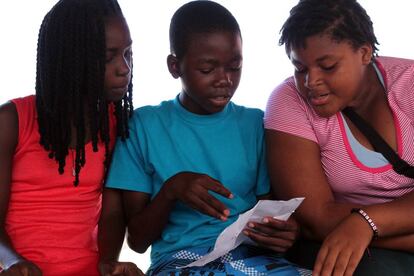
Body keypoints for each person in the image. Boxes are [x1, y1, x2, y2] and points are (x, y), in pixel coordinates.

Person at [100, 1, 311, 275]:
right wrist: (171, 191)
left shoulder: (255, 124)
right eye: (208, 69)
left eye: (234, 67)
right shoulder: (144, 126)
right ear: (175, 66)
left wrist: (284, 233)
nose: (224, 79)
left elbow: (270, 211)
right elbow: (138, 241)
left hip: (253, 260)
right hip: (179, 263)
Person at [264, 0, 414, 275]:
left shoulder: (411, 84)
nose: (311, 81)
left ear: (365, 53)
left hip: (358, 228)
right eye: (300, 68)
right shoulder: (289, 103)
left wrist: (367, 222)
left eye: (328, 66)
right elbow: (316, 218)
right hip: (340, 241)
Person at [0, 0, 143, 275]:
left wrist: (108, 263)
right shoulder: (11, 122)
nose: (124, 68)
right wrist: (13, 263)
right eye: (109, 56)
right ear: (70, 61)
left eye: (128, 53)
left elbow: (112, 213)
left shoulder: (118, 126)